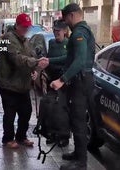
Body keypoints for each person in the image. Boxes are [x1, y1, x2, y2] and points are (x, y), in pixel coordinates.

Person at [49, 3, 95, 170]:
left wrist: (62, 79)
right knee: (76, 119)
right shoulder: (81, 31)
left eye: (66, 18)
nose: (65, 23)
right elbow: (69, 58)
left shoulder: (79, 33)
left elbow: (80, 61)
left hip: (81, 82)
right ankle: (77, 153)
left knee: (78, 121)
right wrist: (49, 61)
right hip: (81, 81)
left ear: (72, 15)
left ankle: (81, 162)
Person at [0, 13, 44, 149]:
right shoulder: (8, 39)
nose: (26, 30)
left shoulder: (26, 41)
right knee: (10, 114)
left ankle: (21, 136)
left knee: (26, 112)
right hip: (8, 84)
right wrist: (36, 62)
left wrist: (34, 71)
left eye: (27, 27)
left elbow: (30, 56)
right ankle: (8, 139)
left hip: (22, 85)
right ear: (17, 26)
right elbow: (17, 59)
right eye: (23, 27)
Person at [45, 19, 70, 147]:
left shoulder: (69, 43)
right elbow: (49, 59)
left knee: (62, 108)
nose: (56, 33)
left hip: (63, 80)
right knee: (51, 107)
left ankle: (64, 136)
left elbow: (66, 59)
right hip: (51, 79)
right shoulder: (51, 43)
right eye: (54, 31)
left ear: (64, 31)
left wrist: (50, 60)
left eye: (58, 31)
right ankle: (52, 134)